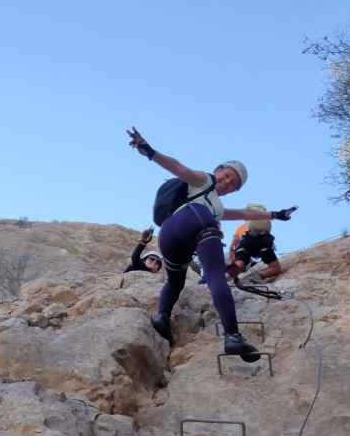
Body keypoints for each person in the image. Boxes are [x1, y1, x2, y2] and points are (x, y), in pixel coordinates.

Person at [127, 126, 297, 361]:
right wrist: (148, 150)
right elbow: (178, 167)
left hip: (169, 233)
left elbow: (242, 214)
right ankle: (233, 337)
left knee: (175, 280)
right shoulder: (203, 181)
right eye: (226, 175)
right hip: (193, 218)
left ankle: (162, 318)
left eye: (233, 183)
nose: (227, 182)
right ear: (217, 170)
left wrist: (275, 215)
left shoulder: (216, 206)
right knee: (216, 275)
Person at [227, 205, 282, 281]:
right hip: (263, 245)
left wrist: (232, 253)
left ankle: (225, 278)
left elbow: (234, 243)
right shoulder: (266, 222)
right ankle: (259, 276)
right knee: (275, 268)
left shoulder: (242, 227)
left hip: (245, 245)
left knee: (239, 264)